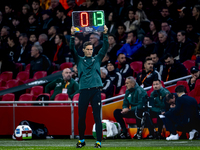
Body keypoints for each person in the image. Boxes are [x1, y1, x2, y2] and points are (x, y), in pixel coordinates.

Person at [70, 25, 108, 148]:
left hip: (96, 91)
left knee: (97, 117)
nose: (90, 51)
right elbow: (72, 49)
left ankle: (98, 141)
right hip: (84, 92)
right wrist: (72, 36)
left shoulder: (97, 59)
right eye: (88, 49)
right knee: (81, 117)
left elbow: (105, 47)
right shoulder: (79, 60)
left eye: (91, 49)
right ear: (84, 50)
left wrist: (105, 34)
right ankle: (81, 140)